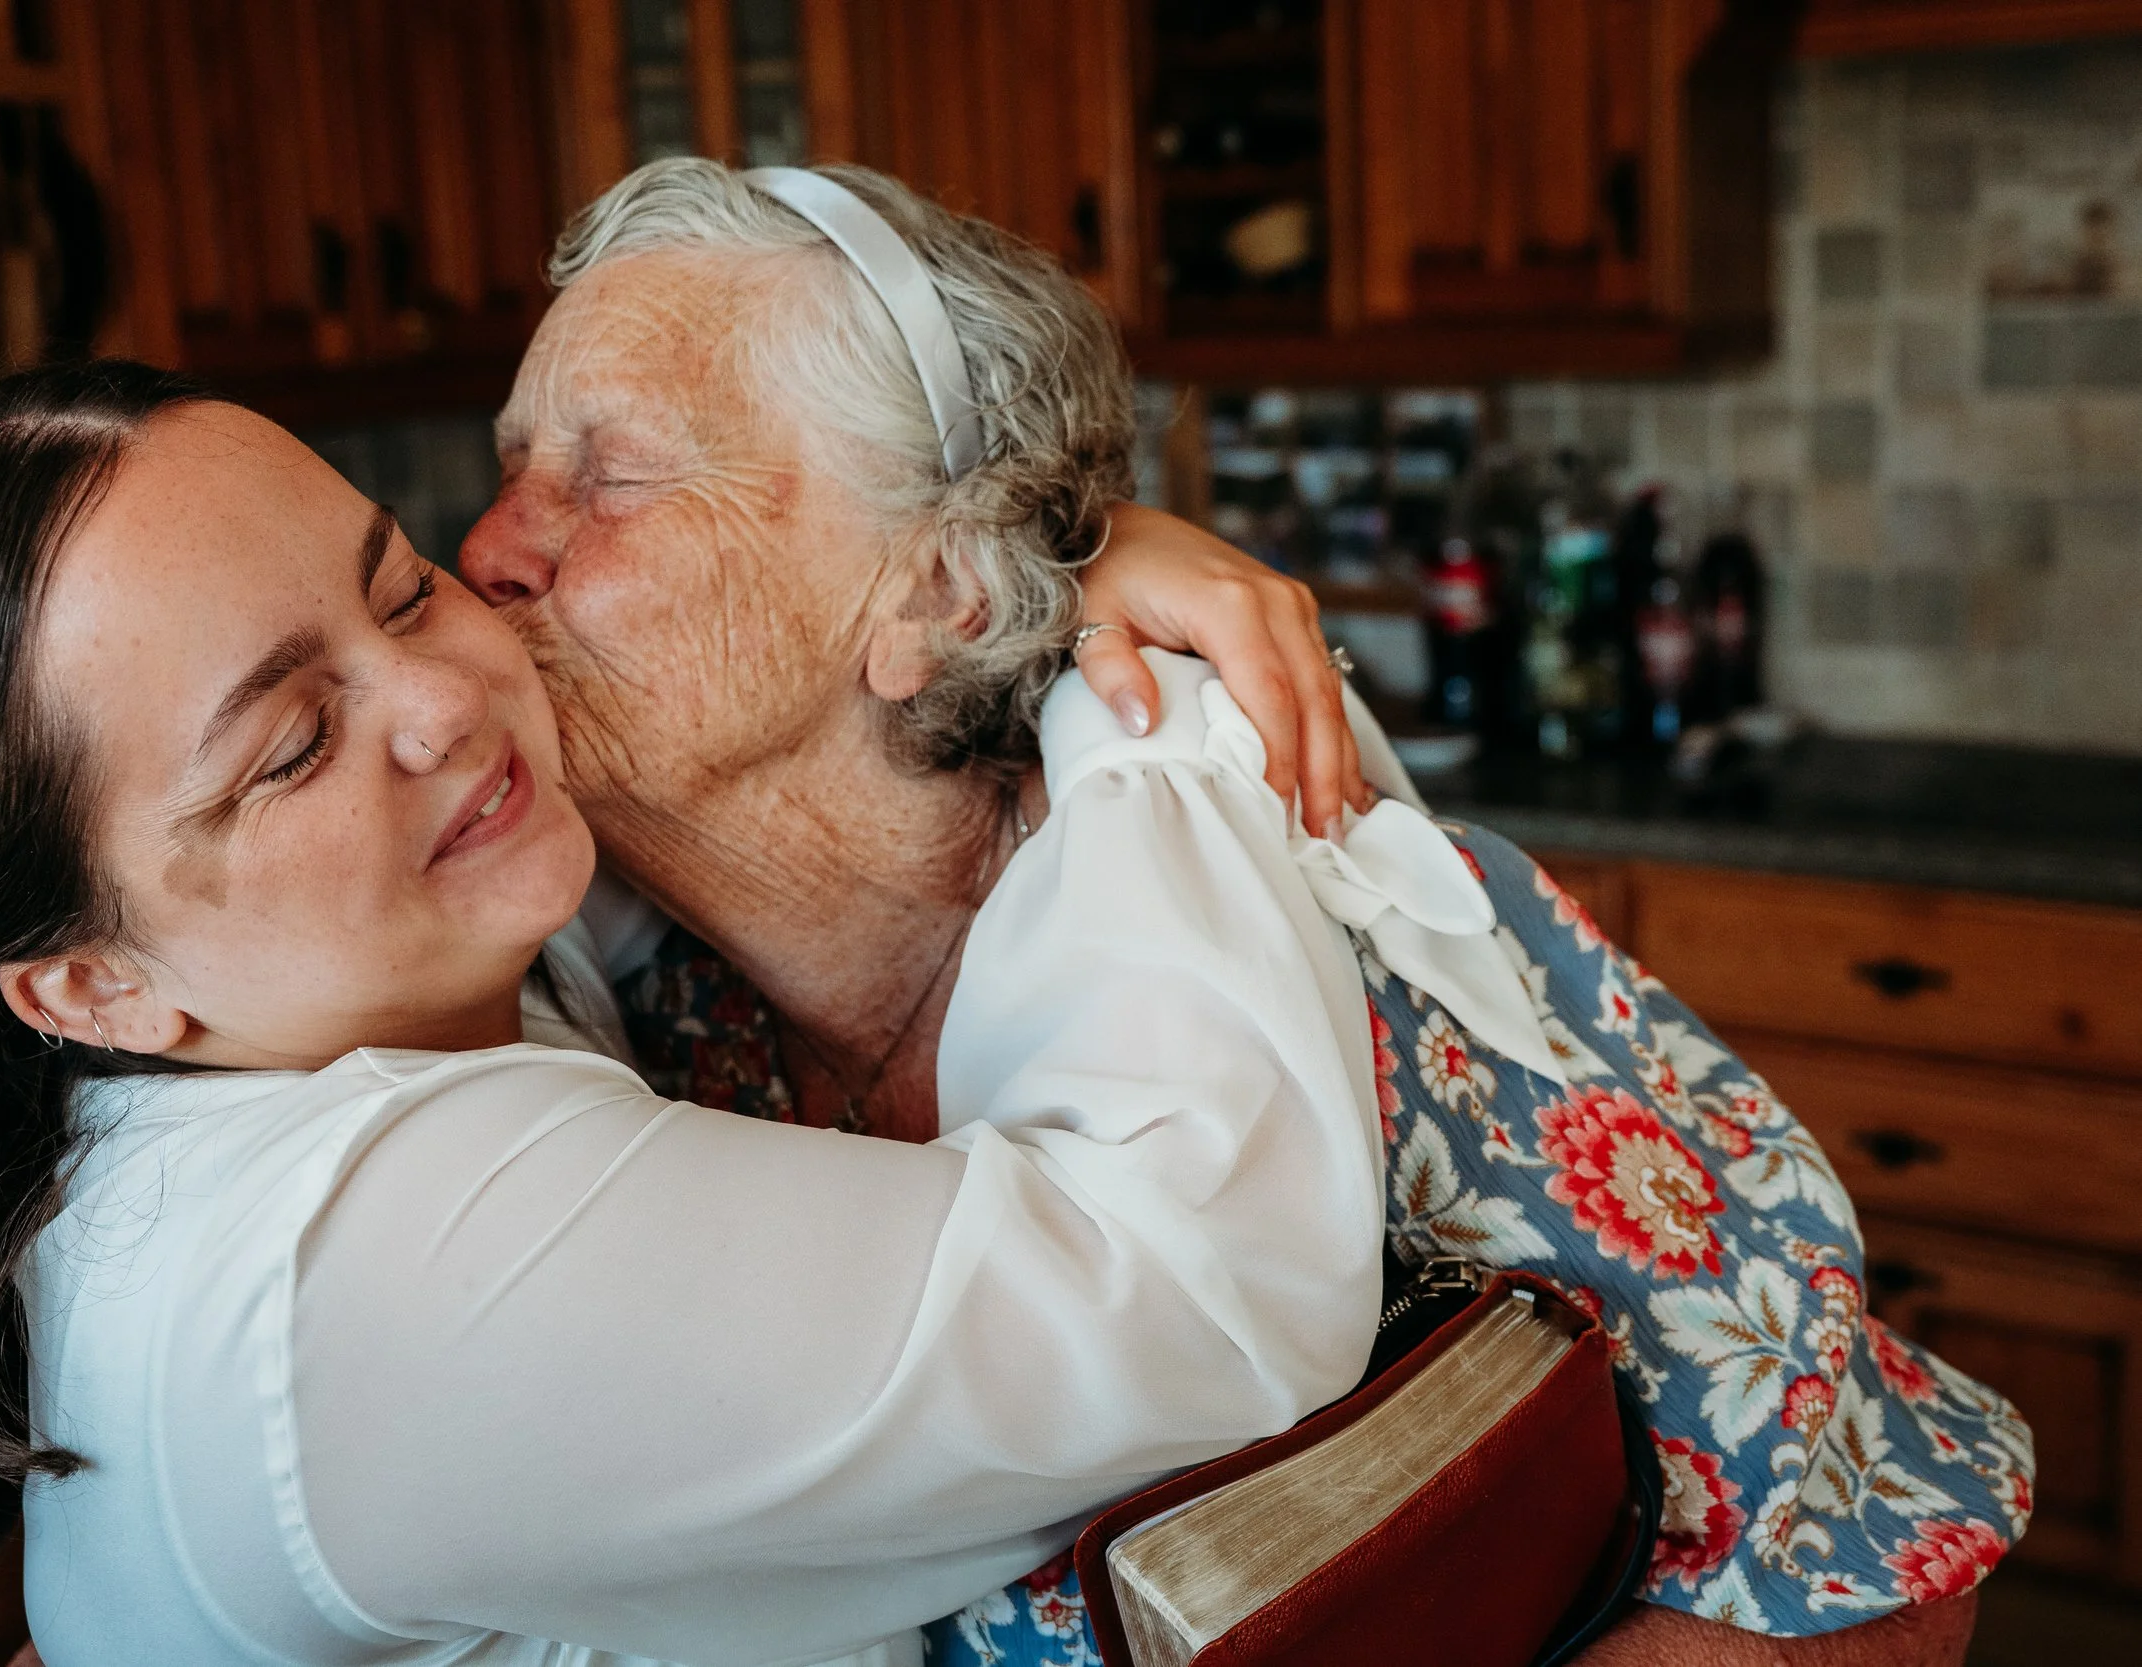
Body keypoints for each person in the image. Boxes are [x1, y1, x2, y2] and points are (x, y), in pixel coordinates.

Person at [454, 158, 2029, 1661]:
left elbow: (1878, 1563)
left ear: (932, 596)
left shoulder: (1340, 951)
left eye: (616, 474)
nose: (486, 550)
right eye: (511, 468)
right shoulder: (641, 1059)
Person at [0, 361, 1462, 1667]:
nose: (453, 697)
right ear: (90, 980)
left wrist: (1019, 563)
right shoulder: (381, 1259)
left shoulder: (312, 997)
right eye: (292, 745)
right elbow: (1211, 1305)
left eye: (400, 586)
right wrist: (1126, 694)